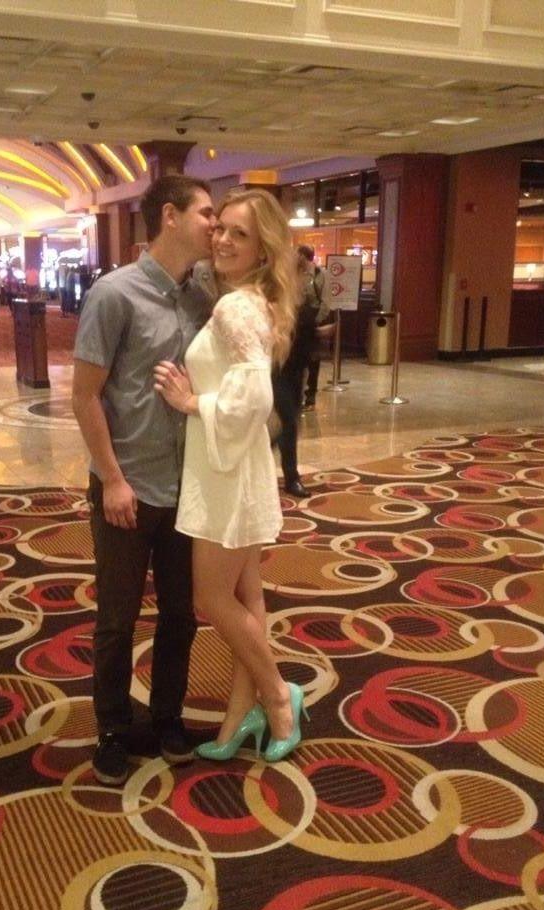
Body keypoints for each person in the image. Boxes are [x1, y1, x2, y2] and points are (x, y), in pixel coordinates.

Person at [153, 188, 309, 765]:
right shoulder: (251, 301)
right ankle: (239, 716)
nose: (221, 239)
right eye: (220, 227)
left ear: (263, 250)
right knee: (247, 595)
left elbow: (254, 396)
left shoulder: (234, 308)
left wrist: (192, 402)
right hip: (237, 465)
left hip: (225, 470)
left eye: (239, 234)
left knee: (212, 597)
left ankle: (277, 696)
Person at [72, 174, 218, 786]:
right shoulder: (115, 295)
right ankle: (111, 727)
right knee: (118, 616)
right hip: (127, 487)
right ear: (170, 216)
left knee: (181, 615)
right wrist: (112, 479)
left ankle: (166, 718)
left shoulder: (203, 296)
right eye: (206, 213)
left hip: (187, 487)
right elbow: (84, 396)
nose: (215, 225)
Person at [270, 244, 332, 497]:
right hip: (275, 369)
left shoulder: (300, 297)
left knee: (289, 421)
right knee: (286, 421)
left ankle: (288, 474)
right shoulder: (272, 298)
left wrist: (318, 334)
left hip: (295, 368)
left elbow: (305, 328)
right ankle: (290, 476)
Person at [298, 246, 333, 410]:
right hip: (298, 320)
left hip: (313, 320)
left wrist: (316, 322)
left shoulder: (320, 274)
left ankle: (310, 397)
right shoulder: (296, 274)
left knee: (312, 360)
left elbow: (326, 302)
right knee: (297, 360)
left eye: (296, 254)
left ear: (303, 256)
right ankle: (297, 395)